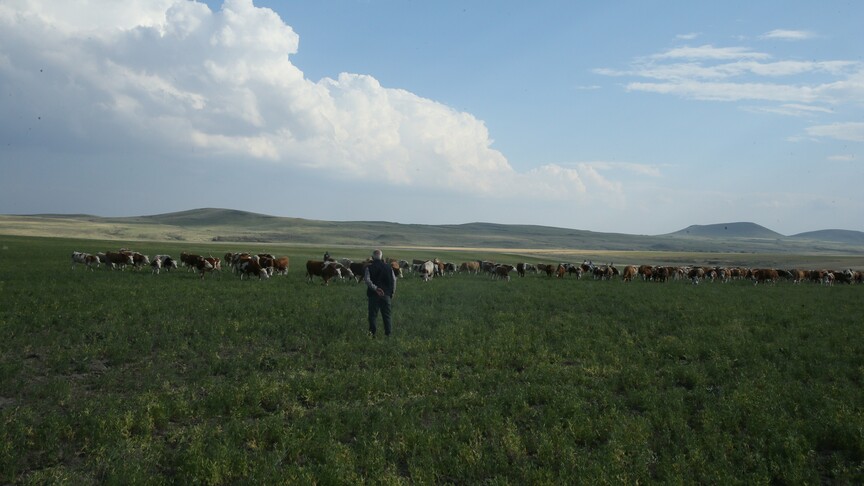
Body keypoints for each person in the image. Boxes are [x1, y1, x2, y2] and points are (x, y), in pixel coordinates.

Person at [363, 249, 396, 337]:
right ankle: (388, 335)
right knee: (387, 315)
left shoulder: (369, 268)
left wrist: (376, 288)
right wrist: (392, 292)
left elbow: (367, 280)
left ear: (372, 257)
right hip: (386, 295)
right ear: (382, 257)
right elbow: (394, 280)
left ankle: (372, 334)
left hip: (373, 295)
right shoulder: (389, 268)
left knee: (372, 316)